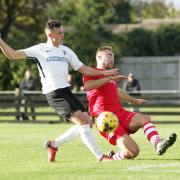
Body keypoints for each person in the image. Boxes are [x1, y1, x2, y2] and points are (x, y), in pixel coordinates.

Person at [0, 20, 119, 162]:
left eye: (63, 32)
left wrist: (105, 73)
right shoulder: (39, 49)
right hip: (54, 93)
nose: (63, 35)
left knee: (88, 122)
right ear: (50, 35)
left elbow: (84, 69)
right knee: (81, 121)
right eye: (60, 33)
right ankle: (101, 157)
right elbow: (13, 54)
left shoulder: (66, 50)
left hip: (66, 91)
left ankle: (53, 144)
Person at [82, 46, 177, 160]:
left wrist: (134, 100)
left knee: (144, 118)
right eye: (109, 55)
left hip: (120, 112)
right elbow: (88, 86)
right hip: (105, 118)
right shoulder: (91, 72)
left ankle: (157, 144)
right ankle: (112, 158)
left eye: (113, 56)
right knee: (134, 151)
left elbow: (117, 91)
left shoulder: (110, 75)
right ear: (99, 56)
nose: (112, 59)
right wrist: (108, 77)